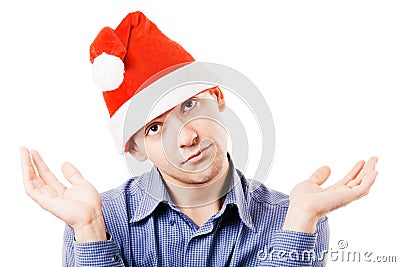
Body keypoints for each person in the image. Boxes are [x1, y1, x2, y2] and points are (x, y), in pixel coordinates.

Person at [20, 11, 378, 267]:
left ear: (219, 98)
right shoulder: (98, 220)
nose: (188, 137)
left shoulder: (294, 217)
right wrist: (88, 229)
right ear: (135, 148)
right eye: (154, 128)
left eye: (189, 105)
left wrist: (301, 221)